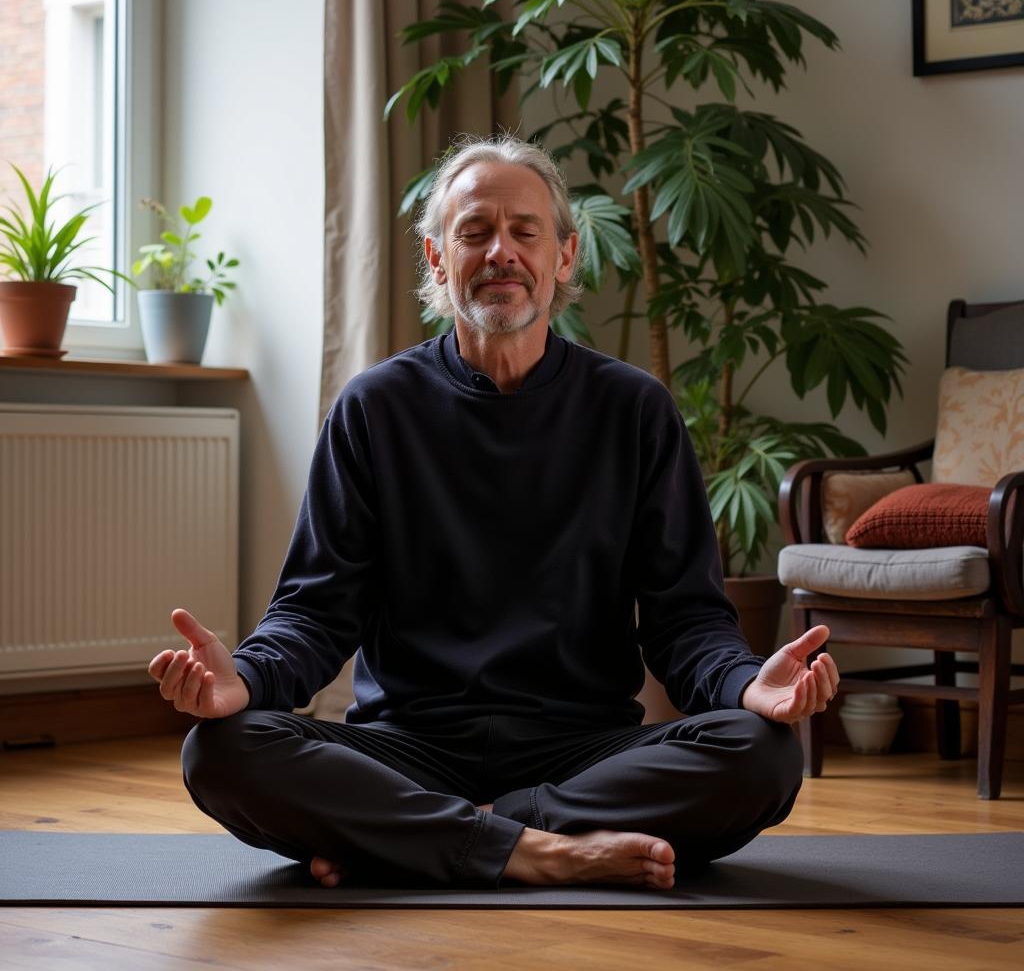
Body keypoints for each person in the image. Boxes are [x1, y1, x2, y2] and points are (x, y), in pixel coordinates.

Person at [148, 134, 839, 892]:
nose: (501, 251)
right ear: (438, 258)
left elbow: (685, 622)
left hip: (583, 748)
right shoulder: (375, 409)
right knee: (218, 750)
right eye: (475, 232)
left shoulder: (634, 410)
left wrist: (748, 685)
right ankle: (546, 849)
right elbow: (314, 614)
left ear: (564, 257)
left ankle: (433, 837)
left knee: (764, 751)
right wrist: (240, 680)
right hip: (410, 746)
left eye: (525, 231)